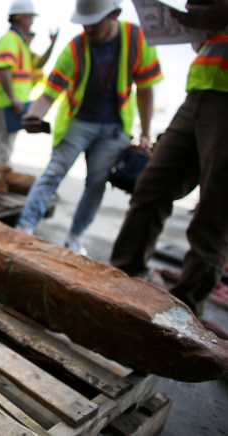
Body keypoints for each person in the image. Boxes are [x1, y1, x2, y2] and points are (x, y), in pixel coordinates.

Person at [110, 1, 228, 337]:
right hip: (202, 89)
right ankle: (124, 278)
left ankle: (185, 313)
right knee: (151, 187)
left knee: (214, 210)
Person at [16, 0, 163, 255]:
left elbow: (146, 90)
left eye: (93, 23)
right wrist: (33, 114)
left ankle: (75, 236)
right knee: (53, 172)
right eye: (84, 23)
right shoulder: (76, 47)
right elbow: (50, 92)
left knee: (97, 181)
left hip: (114, 127)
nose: (88, 29)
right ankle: (25, 226)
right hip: (79, 122)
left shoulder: (136, 39)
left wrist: (146, 134)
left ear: (113, 14)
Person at [0, 0, 36, 164]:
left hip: (10, 104)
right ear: (20, 18)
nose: (32, 21)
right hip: (7, 104)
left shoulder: (18, 41)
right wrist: (13, 98)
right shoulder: (11, 40)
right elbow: (4, 71)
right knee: (2, 151)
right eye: (30, 17)